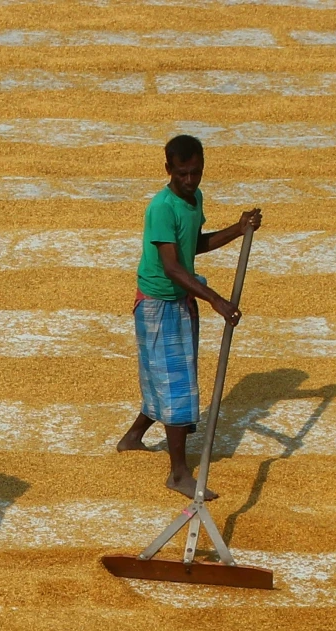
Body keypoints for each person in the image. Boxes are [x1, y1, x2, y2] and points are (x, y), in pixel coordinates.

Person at [116, 134, 262, 501]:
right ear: (168, 169)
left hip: (180, 299)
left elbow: (193, 244)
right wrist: (216, 300)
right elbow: (171, 266)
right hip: (158, 303)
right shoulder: (161, 208)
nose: (190, 181)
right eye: (182, 174)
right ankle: (178, 473)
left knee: (168, 377)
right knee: (176, 384)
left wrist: (238, 227)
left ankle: (133, 438)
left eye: (196, 173)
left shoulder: (194, 199)